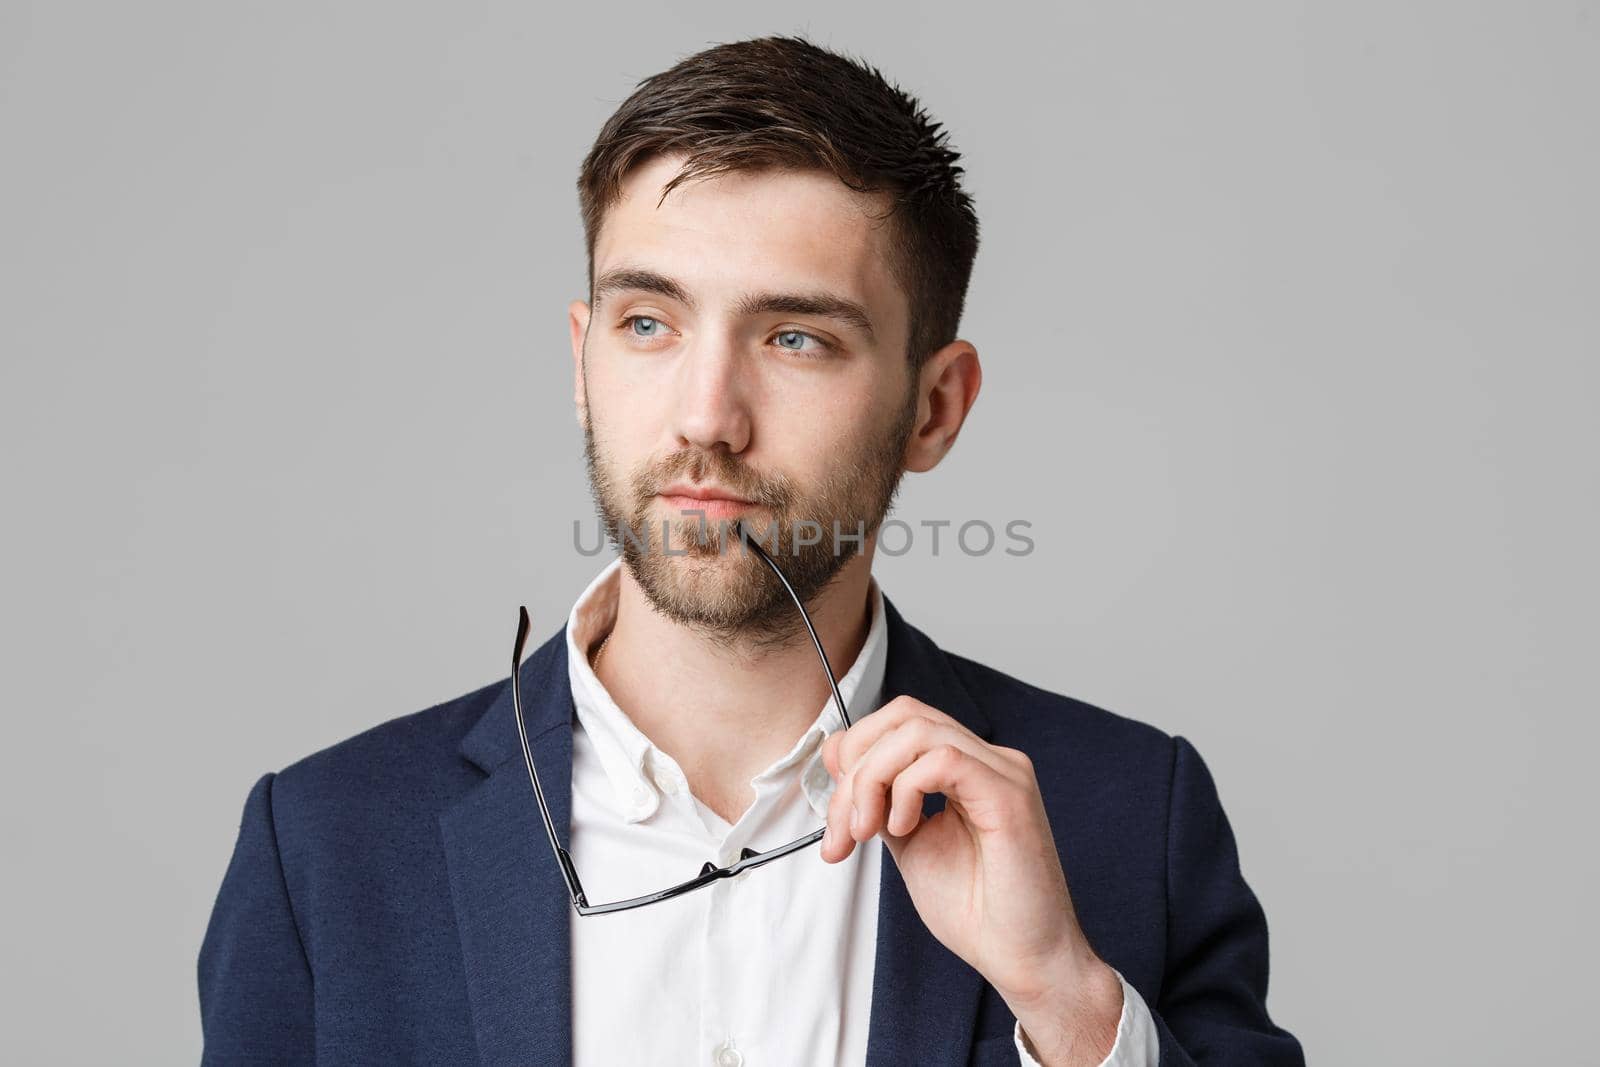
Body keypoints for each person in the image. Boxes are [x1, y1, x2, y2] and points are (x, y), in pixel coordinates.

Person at [197, 34, 1304, 1067]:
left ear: (933, 408)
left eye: (794, 338)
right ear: (583, 365)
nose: (706, 417)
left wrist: (1066, 1000)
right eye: (649, 323)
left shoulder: (1127, 814)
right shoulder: (325, 846)